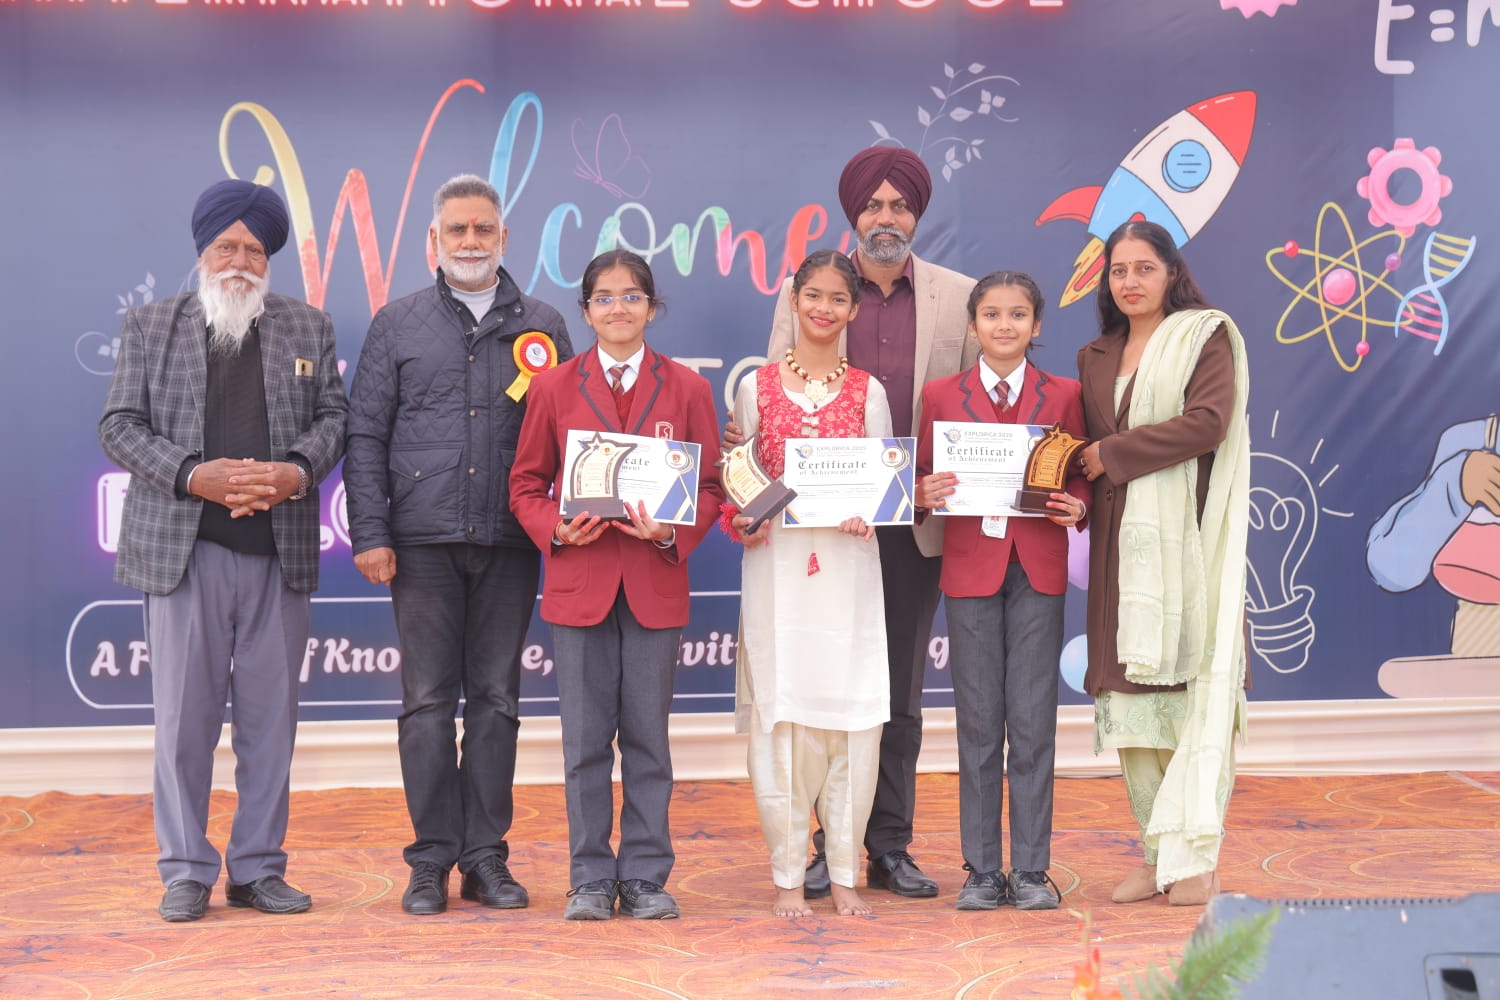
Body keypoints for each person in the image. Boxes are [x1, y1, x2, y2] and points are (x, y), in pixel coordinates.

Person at [99, 179, 348, 922]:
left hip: (278, 552)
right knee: (184, 725)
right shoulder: (151, 325)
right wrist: (191, 475)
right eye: (226, 247)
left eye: (254, 250)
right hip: (185, 555)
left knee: (272, 725)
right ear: (202, 252)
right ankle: (185, 870)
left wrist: (295, 472)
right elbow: (119, 425)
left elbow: (335, 419)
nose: (240, 260)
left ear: (269, 259)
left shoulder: (309, 326)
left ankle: (258, 868)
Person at [734, 147, 978, 898]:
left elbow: (971, 405)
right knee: (811, 680)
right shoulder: (814, 289)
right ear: (854, 215)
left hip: (913, 520)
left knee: (892, 689)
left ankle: (888, 845)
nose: (886, 218)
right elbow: (774, 407)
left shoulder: (958, 296)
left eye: (899, 206)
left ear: (917, 215)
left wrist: (933, 482)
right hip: (816, 533)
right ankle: (821, 846)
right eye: (873, 206)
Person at [344, 174, 574, 916]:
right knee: (426, 703)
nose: (470, 242)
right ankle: (430, 860)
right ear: (433, 241)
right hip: (421, 544)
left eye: (483, 229)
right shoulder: (397, 323)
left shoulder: (543, 324)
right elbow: (364, 434)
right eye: (457, 230)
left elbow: (571, 434)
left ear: (504, 238)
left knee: (499, 702)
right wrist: (371, 533)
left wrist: (560, 523)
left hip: (511, 540)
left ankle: (485, 859)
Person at [509, 249, 723, 921]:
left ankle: (647, 876)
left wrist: (669, 533)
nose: (619, 308)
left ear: (652, 309)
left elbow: (710, 488)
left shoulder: (687, 388)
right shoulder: (554, 387)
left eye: (632, 296)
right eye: (604, 297)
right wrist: (556, 528)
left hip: (655, 581)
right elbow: (525, 485)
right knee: (584, 743)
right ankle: (590, 878)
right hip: (581, 584)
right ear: (586, 311)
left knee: (648, 740)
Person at [1075, 220, 1251, 907]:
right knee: (1130, 706)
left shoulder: (1205, 336)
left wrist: (1111, 455)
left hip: (1186, 547)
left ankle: (1194, 857)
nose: (1130, 282)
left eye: (1144, 268)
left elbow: (1208, 423)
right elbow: (1081, 450)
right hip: (1118, 551)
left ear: (1171, 273)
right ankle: (1156, 855)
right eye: (1118, 270)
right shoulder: (1096, 355)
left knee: (1185, 705)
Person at [914, 271, 1088, 911]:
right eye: (992, 314)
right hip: (970, 570)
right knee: (980, 723)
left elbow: (1081, 473)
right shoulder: (941, 394)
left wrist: (1079, 505)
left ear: (1036, 325)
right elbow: (923, 475)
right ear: (973, 325)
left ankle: (1033, 870)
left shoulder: (1064, 393)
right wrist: (923, 491)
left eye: (1018, 314)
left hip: (1038, 567)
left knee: (1034, 722)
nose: (1005, 325)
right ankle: (983, 870)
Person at [729, 250, 891, 918]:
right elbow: (741, 483)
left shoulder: (870, 392)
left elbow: (883, 486)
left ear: (854, 309)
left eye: (838, 299)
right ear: (793, 300)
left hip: (848, 570)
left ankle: (846, 874)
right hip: (779, 569)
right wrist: (744, 520)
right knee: (784, 713)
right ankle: (788, 878)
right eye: (813, 295)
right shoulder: (755, 387)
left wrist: (869, 511)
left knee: (854, 714)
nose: (824, 309)